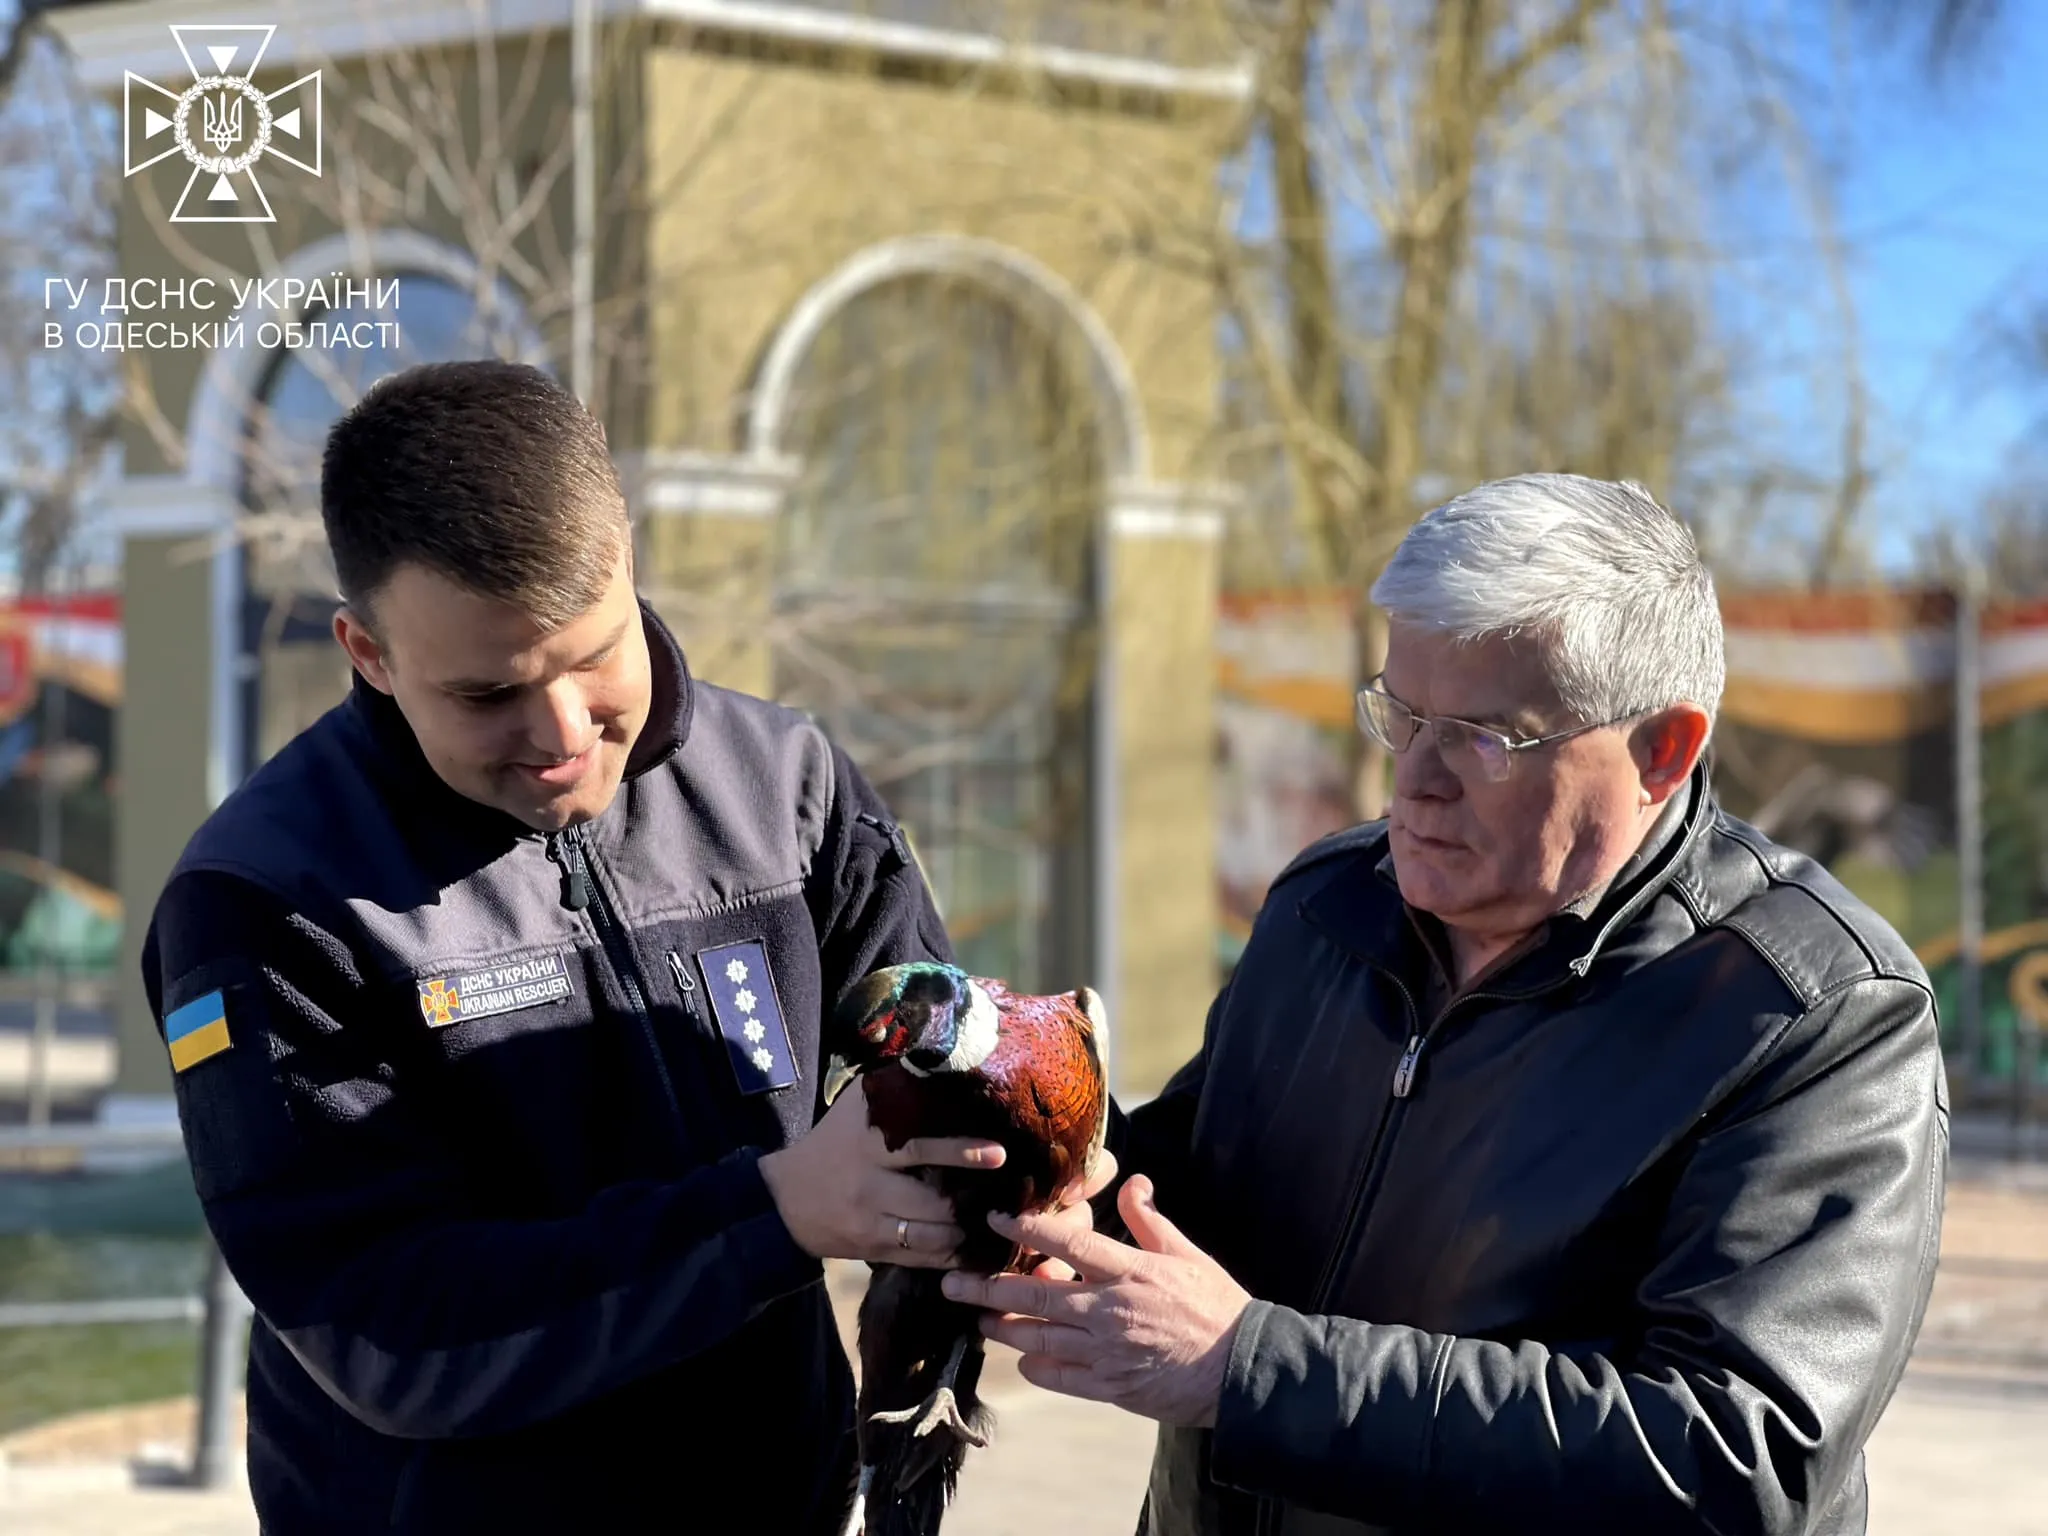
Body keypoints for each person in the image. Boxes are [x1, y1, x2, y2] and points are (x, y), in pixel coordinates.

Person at [943, 473, 1950, 1535]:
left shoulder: (1813, 1014)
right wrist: (1009, 1179)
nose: (1414, 782)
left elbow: (1731, 1458)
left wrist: (1250, 1373)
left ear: (1661, 749)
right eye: (1400, 713)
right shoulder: (1326, 907)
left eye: (1482, 738)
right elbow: (1186, 1189)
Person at [140, 360, 1005, 1534]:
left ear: (628, 560)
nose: (560, 734)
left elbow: (952, 1076)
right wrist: (770, 1215)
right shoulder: (261, 902)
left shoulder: (789, 789)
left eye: (595, 656)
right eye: (489, 693)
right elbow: (383, 1327)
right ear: (369, 653)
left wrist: (1035, 1171)